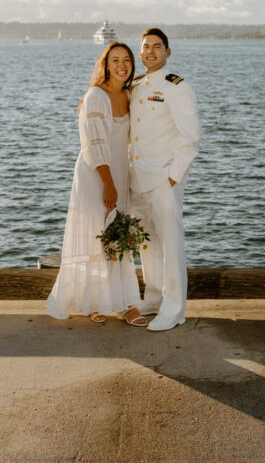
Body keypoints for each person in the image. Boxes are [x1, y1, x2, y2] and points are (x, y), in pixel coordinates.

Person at [46, 42, 149, 327]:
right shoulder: (96, 96)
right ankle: (91, 302)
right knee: (96, 235)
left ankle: (125, 303)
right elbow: (93, 144)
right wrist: (108, 184)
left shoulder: (129, 94)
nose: (122, 65)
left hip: (120, 174)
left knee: (118, 238)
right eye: (115, 60)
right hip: (96, 175)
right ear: (105, 64)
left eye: (127, 60)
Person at [129, 28, 200, 331]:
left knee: (171, 244)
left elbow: (191, 138)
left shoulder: (176, 87)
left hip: (163, 179)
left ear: (168, 52)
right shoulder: (136, 85)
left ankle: (174, 309)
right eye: (146, 47)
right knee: (148, 243)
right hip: (138, 178)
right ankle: (154, 296)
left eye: (157, 47)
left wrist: (173, 178)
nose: (150, 52)